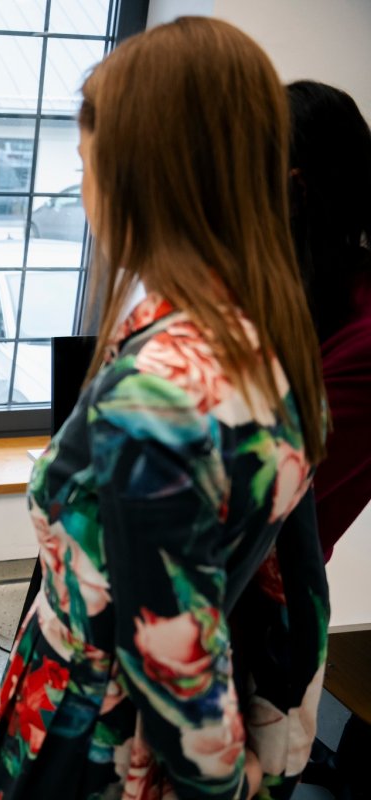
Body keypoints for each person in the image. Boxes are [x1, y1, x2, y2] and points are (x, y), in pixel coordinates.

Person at [0, 17, 329, 800]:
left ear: (141, 177)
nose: (84, 191)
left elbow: (172, 654)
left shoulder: (161, 392)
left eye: (88, 166)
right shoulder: (256, 335)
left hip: (93, 740)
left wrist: (226, 777)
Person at [285, 79, 371, 800]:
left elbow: (281, 498)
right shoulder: (301, 287)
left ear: (293, 187)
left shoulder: (362, 332)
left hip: (264, 604)